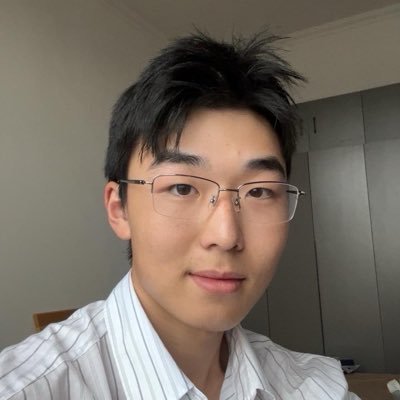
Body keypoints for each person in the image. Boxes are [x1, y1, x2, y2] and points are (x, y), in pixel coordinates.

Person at [0, 32, 359, 400]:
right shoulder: (29, 389)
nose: (226, 235)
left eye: (258, 192)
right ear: (119, 208)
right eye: (183, 188)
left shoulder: (314, 387)